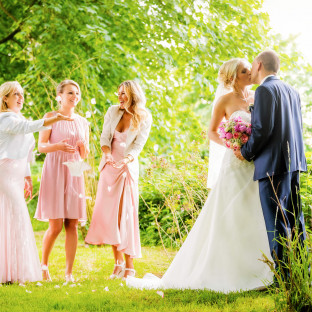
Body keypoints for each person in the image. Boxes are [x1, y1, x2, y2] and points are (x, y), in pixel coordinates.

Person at [126, 59, 273, 292]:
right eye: (244, 70)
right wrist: (233, 144)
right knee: (230, 214)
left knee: (254, 211)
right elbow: (212, 132)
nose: (250, 72)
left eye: (249, 69)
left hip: (255, 163)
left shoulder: (257, 97)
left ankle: (260, 269)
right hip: (234, 163)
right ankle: (228, 271)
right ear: (233, 76)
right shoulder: (224, 101)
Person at [235, 50, 307, 276]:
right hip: (293, 164)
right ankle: (302, 273)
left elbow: (262, 130)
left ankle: (284, 280)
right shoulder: (292, 90)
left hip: (272, 166)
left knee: (276, 224)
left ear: (258, 65)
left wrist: (245, 151)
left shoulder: (264, 90)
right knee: (295, 222)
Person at [0, 81, 72, 284]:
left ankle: (11, 272)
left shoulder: (17, 117)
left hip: (15, 174)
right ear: (5, 98)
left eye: (22, 94)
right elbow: (25, 128)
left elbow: (24, 153)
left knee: (11, 216)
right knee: (16, 214)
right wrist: (52, 120)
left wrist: (28, 177)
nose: (20, 98)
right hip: (3, 173)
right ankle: (8, 272)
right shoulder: (5, 119)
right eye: (16, 94)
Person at [85, 80, 152, 280]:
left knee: (126, 216)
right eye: (118, 93)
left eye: (124, 94)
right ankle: (118, 263)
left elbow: (138, 146)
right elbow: (105, 138)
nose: (120, 97)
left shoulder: (144, 117)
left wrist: (125, 161)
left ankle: (130, 265)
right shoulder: (112, 111)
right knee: (110, 216)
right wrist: (107, 156)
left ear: (134, 95)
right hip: (108, 168)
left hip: (126, 169)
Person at [35, 80, 89, 282]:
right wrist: (57, 146)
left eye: (77, 93)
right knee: (55, 225)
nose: (74, 96)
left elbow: (84, 155)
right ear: (59, 96)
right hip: (55, 169)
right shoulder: (50, 117)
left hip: (75, 170)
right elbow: (41, 146)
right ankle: (43, 266)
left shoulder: (83, 122)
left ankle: (69, 273)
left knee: (72, 224)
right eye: (70, 93)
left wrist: (83, 147)